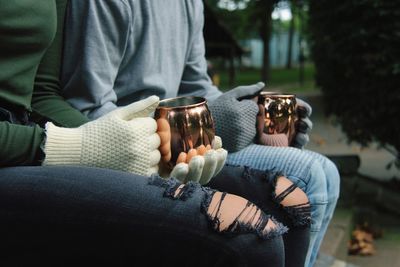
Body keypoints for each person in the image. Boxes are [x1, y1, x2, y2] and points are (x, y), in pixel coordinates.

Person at [0, 0, 311, 266]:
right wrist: (75, 147)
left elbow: (42, 93)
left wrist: (147, 145)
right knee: (250, 235)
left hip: (33, 134)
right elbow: (88, 101)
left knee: (289, 199)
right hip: (26, 151)